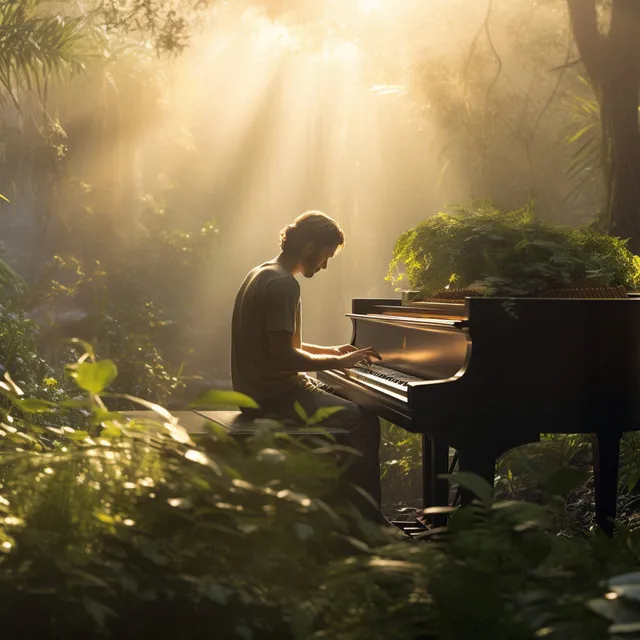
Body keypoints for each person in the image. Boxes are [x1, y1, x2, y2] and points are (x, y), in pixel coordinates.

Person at [231, 210, 385, 523]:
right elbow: (284, 358)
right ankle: (363, 520)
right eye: (326, 256)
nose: (325, 265)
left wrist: (331, 350)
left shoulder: (262, 272)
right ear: (308, 247)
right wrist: (339, 361)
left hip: (261, 387)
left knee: (358, 403)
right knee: (362, 421)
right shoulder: (283, 286)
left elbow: (283, 346)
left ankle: (334, 507)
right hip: (273, 395)